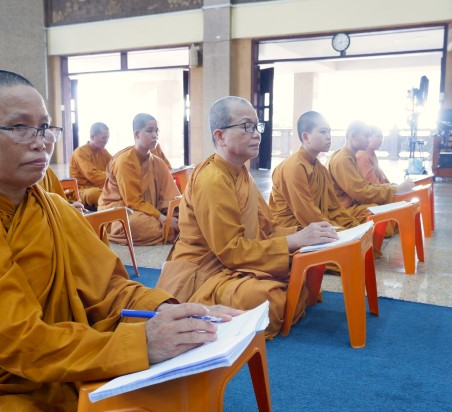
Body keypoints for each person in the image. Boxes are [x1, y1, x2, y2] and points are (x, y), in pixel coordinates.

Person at [0, 69, 240, 412]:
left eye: (45, 128)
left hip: (61, 360)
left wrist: (174, 311)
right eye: (20, 128)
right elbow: (18, 342)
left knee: (174, 381)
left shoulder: (52, 207)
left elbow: (111, 288)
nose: (41, 143)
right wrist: (140, 344)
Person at [156, 97, 337, 338]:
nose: (257, 134)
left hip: (235, 263)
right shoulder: (212, 180)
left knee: (300, 268)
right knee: (265, 298)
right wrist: (293, 241)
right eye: (246, 126)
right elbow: (230, 251)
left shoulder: (241, 173)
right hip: (204, 273)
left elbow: (267, 228)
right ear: (220, 136)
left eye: (257, 126)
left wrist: (303, 235)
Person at [269, 111, 372, 230]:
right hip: (292, 229)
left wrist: (353, 226)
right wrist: (339, 231)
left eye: (329, 132)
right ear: (306, 137)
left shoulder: (320, 169)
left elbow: (334, 208)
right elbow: (307, 214)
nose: (328, 136)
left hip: (316, 223)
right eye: (323, 132)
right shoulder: (294, 167)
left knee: (363, 229)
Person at [98, 113, 181, 245]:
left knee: (186, 216)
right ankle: (169, 229)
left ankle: (170, 226)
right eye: (150, 131)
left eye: (157, 131)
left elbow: (171, 195)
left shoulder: (157, 162)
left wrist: (174, 214)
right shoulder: (125, 162)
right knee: (135, 224)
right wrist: (162, 217)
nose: (155, 135)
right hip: (121, 210)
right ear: (137, 134)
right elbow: (132, 201)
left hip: (149, 210)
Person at [327, 120, 414, 209]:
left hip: (353, 205)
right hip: (343, 210)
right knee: (390, 210)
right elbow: (362, 192)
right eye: (366, 136)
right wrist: (396, 189)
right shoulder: (344, 159)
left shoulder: (349, 156)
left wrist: (394, 187)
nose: (369, 140)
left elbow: (366, 187)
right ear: (352, 136)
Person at [69, 122, 112, 209]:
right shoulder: (80, 152)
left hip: (100, 187)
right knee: (95, 194)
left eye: (108, 137)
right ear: (92, 136)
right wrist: (114, 177)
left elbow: (115, 165)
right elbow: (92, 175)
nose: (106, 140)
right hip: (83, 190)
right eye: (104, 138)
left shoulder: (103, 152)